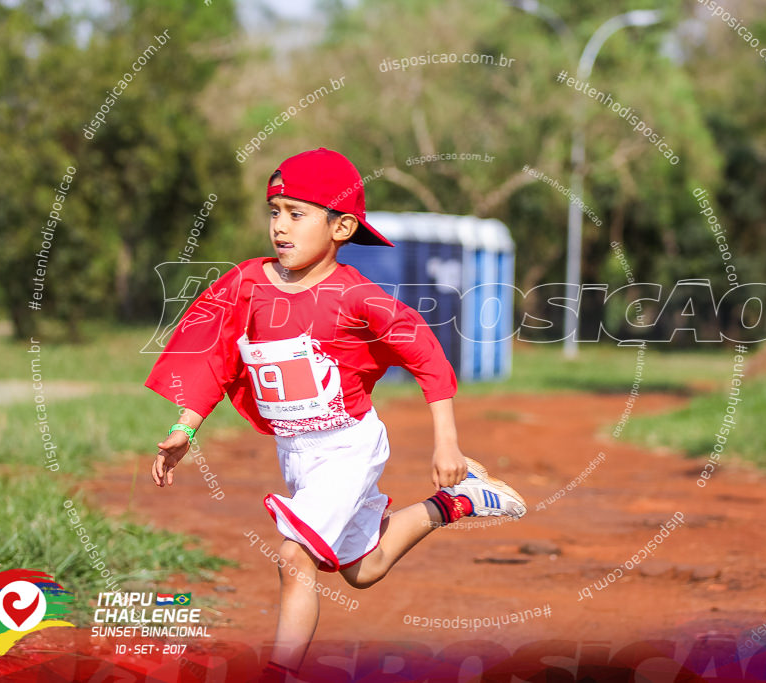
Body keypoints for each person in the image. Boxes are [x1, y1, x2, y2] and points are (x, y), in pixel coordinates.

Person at [144, 148, 527, 679]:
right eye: (274, 210)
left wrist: (447, 442)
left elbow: (427, 356)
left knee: (294, 556)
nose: (280, 226)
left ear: (341, 226)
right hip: (297, 454)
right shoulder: (248, 284)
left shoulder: (356, 296)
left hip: (348, 446)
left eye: (297, 214)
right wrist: (185, 427)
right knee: (362, 569)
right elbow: (217, 358)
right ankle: (458, 503)